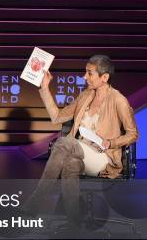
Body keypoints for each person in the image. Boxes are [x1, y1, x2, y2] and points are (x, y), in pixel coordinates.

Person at [28, 55, 138, 223]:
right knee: (70, 163)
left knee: (66, 141)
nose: (84, 77)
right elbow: (57, 117)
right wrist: (45, 87)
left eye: (89, 73)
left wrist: (111, 142)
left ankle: (36, 202)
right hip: (79, 152)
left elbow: (133, 134)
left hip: (103, 157)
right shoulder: (85, 95)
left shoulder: (118, 100)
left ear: (104, 77)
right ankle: (75, 222)